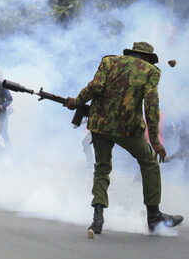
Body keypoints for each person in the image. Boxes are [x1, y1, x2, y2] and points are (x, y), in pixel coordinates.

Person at [65, 42, 183, 236]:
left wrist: (76, 102)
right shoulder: (151, 71)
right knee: (150, 163)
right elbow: (151, 104)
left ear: (132, 54)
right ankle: (154, 217)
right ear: (146, 58)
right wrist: (155, 140)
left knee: (101, 168)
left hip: (99, 125)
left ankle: (97, 220)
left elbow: (95, 87)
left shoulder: (109, 61)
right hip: (128, 129)